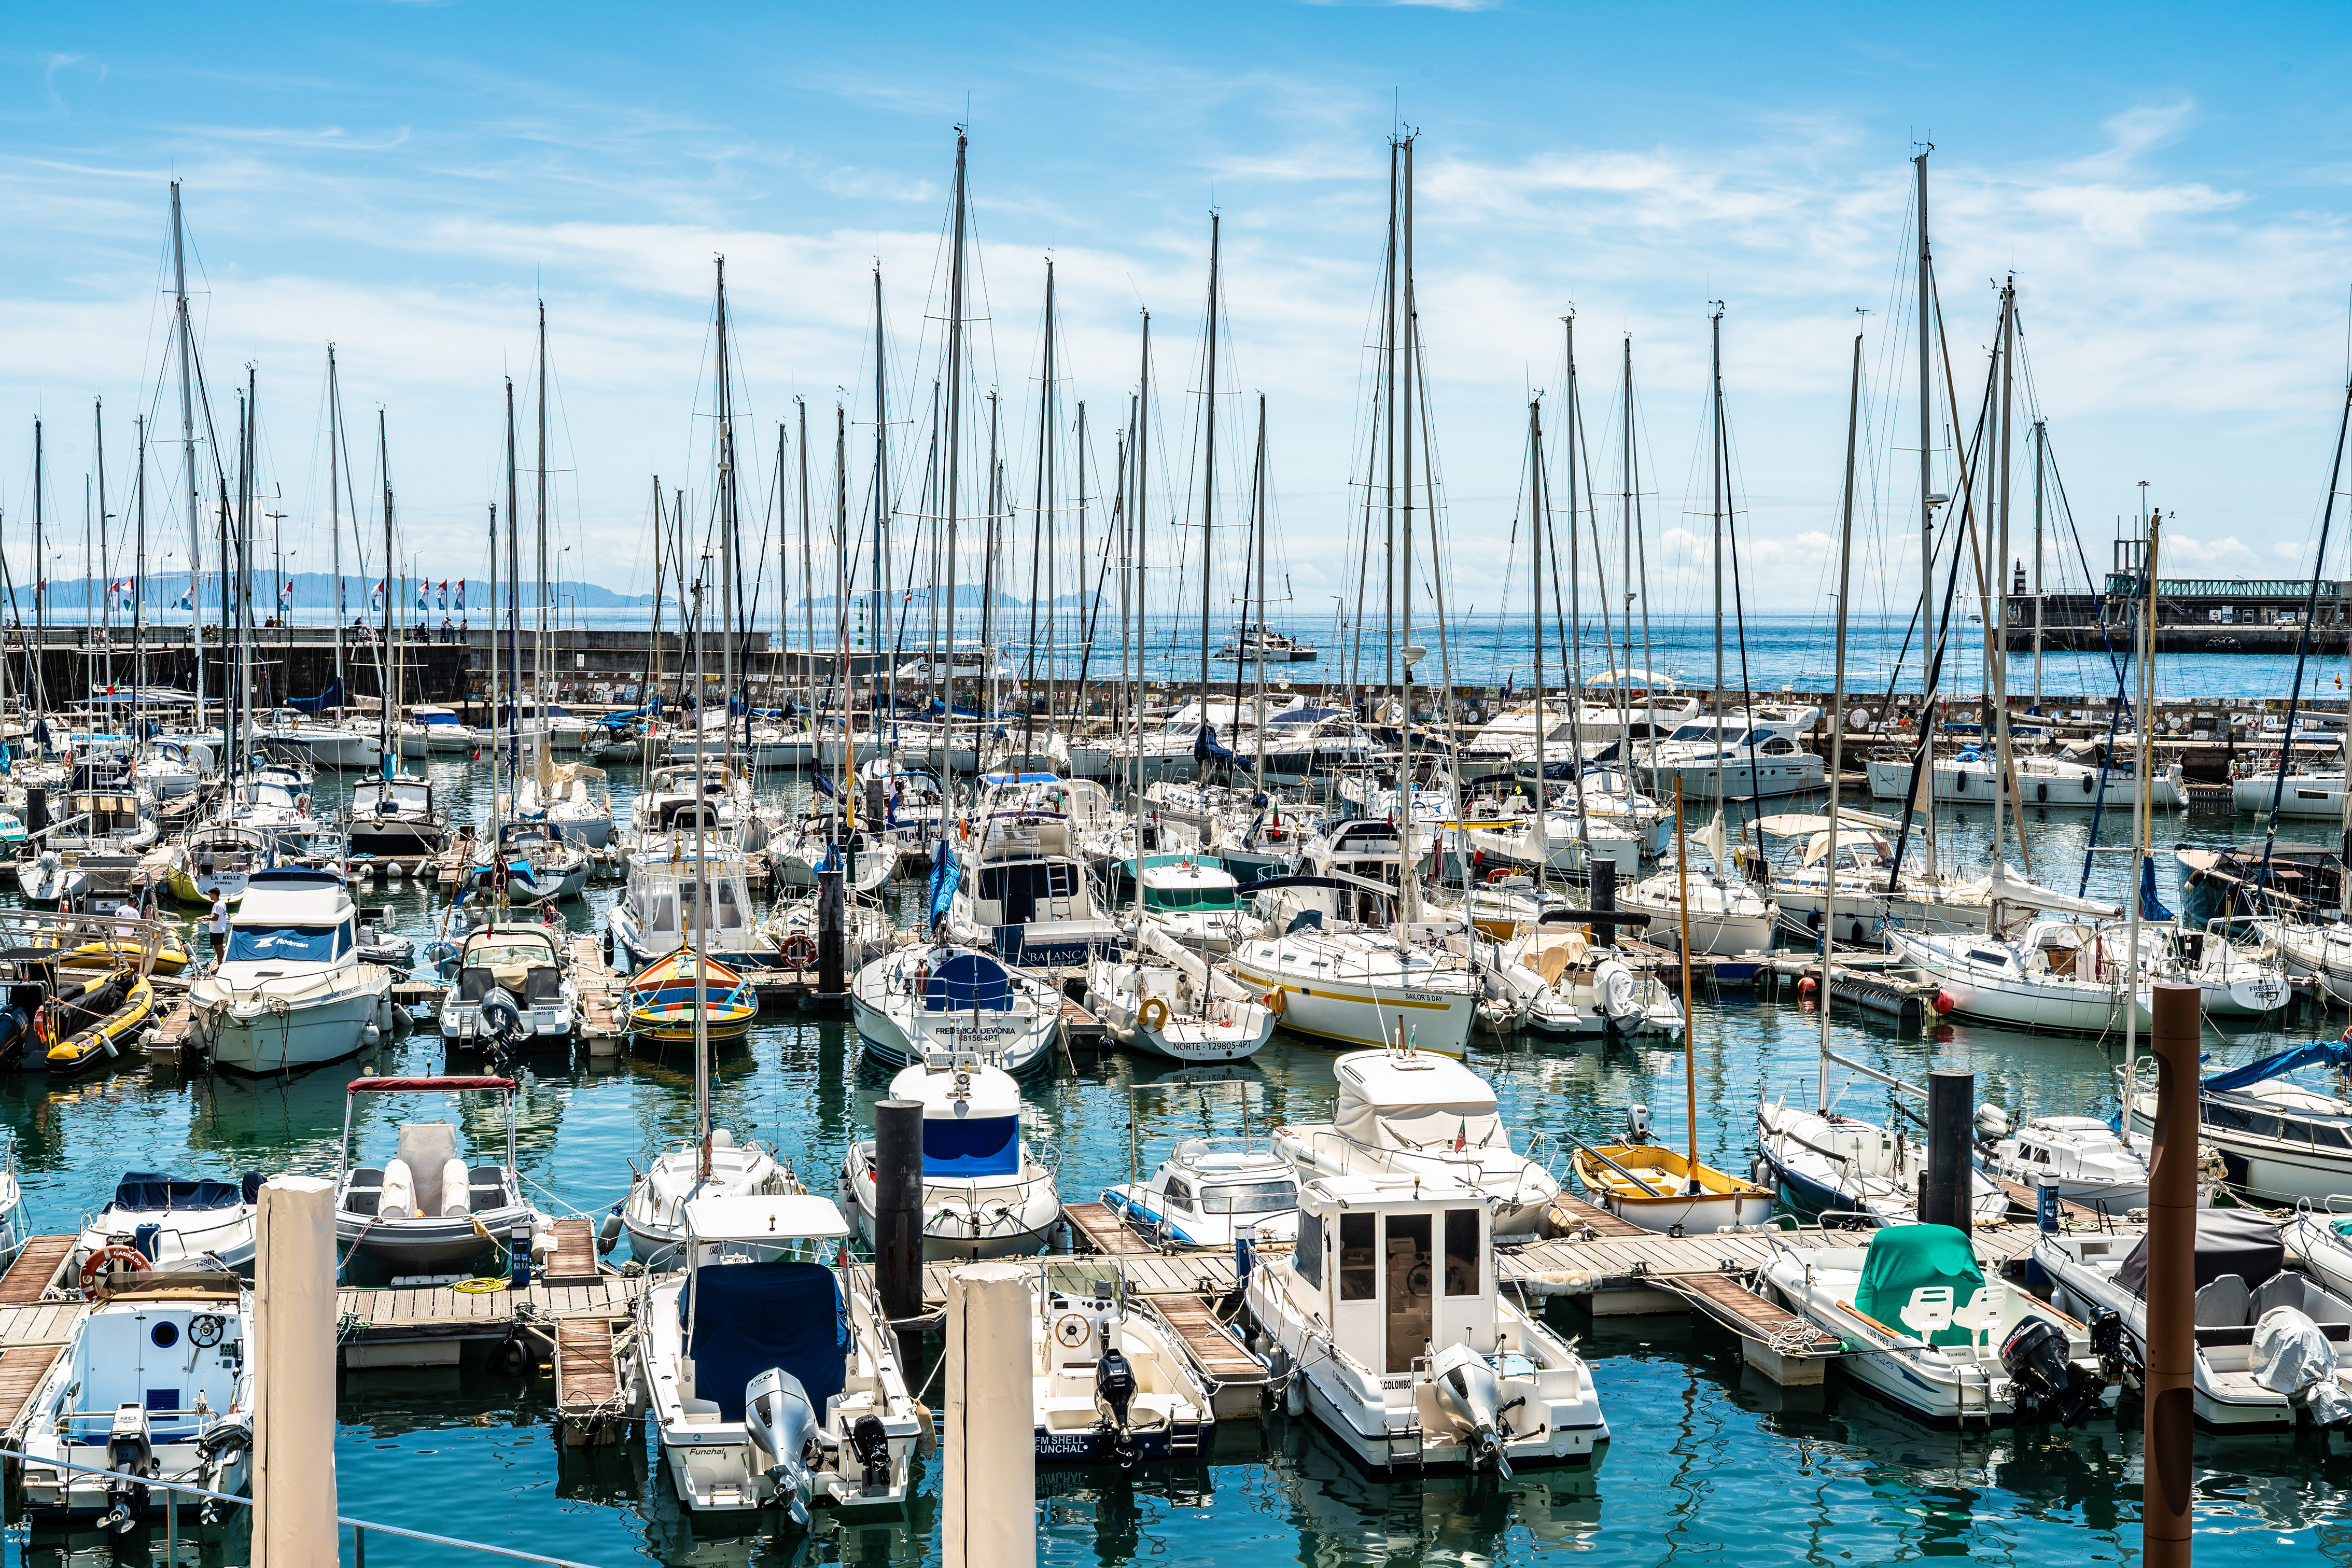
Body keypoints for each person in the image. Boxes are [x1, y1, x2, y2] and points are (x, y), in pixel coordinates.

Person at [206, 893, 230, 965]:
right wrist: (208, 916)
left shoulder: (217, 905)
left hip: (216, 930)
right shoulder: (222, 903)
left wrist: (204, 918)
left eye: (210, 894)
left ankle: (219, 964)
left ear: (214, 895)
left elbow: (216, 918)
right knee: (220, 946)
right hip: (221, 928)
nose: (210, 896)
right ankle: (221, 962)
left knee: (217, 947)